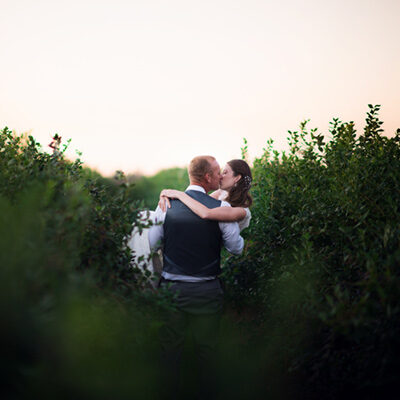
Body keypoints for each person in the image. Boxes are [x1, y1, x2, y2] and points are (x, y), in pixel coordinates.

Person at [147, 155, 244, 399]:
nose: (220, 175)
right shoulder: (221, 208)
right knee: (207, 353)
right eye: (217, 171)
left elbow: (151, 243)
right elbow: (236, 248)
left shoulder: (166, 204)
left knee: (169, 352)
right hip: (206, 292)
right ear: (209, 177)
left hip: (172, 290)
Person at [158, 159, 252, 232]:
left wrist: (179, 194)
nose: (220, 176)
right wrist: (166, 194)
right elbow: (199, 202)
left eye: (225, 172)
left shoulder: (242, 211)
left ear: (237, 178)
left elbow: (206, 213)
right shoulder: (221, 193)